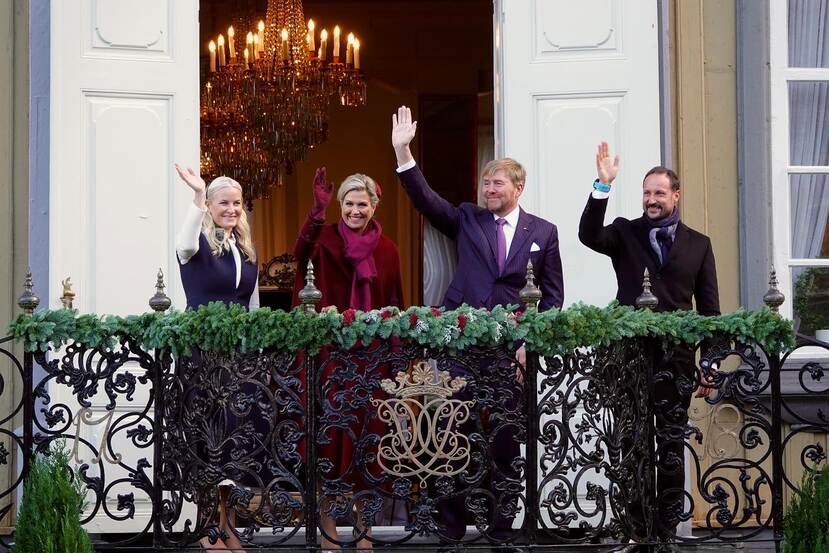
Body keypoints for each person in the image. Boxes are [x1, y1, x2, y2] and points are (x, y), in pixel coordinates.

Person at [391, 105, 564, 548]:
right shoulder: (468, 218)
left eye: (497, 183)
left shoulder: (543, 232)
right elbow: (428, 203)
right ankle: (451, 528)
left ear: (517, 188)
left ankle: (502, 528)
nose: (489, 188)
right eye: (486, 182)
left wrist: (530, 344)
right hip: (460, 346)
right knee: (451, 434)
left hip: (511, 352)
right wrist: (403, 153)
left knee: (505, 441)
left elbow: (552, 297)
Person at [578, 142, 720, 553]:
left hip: (675, 361)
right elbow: (589, 234)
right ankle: (636, 530)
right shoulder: (625, 232)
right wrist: (601, 186)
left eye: (659, 193)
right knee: (631, 444)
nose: (651, 200)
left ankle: (666, 530)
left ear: (676, 196)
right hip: (630, 358)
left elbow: (709, 311)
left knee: (671, 444)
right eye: (646, 193)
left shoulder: (699, 243)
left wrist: (708, 363)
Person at [293, 167, 404, 551]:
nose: (355, 211)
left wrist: (396, 362)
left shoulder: (387, 249)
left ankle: (365, 532)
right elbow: (299, 254)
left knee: (369, 448)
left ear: (374, 207)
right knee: (327, 444)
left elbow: (396, 305)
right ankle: (328, 531)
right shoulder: (324, 239)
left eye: (362, 204)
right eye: (349, 204)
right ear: (340, 205)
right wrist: (316, 212)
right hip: (330, 358)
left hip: (371, 361)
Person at [174, 163, 259, 551]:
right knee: (206, 437)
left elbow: (249, 304)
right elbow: (186, 243)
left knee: (233, 438)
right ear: (209, 206)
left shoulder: (245, 247)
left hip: (236, 355)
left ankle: (229, 526)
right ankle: (209, 528)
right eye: (223, 202)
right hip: (203, 352)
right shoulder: (197, 244)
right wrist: (196, 195)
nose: (232, 208)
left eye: (237, 203)